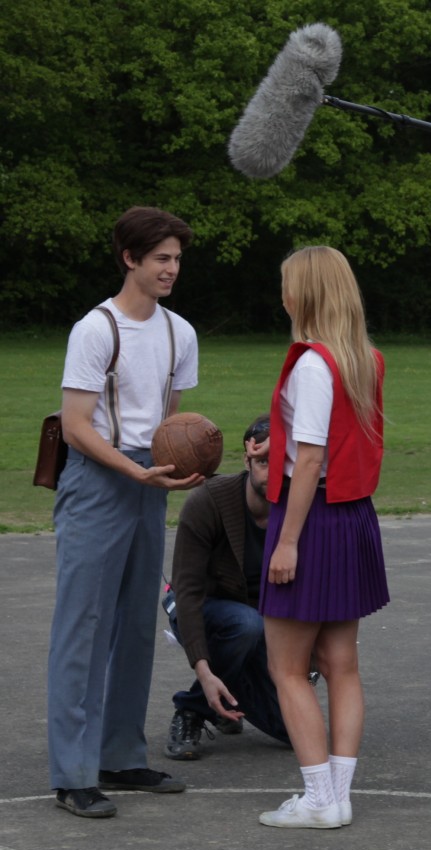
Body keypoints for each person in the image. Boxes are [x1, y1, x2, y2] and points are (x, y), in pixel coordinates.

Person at [49, 206, 204, 818]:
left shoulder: (179, 333)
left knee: (138, 621)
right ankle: (73, 771)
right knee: (82, 625)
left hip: (150, 476)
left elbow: (170, 422)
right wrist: (131, 468)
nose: (171, 269)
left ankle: (120, 753)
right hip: (98, 477)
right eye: (161, 258)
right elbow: (74, 425)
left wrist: (175, 464)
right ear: (130, 259)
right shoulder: (96, 329)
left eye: (176, 259)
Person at [257, 245, 389, 829]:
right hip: (353, 515)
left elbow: (309, 461)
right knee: (342, 664)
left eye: (287, 285)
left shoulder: (312, 364)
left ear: (303, 294)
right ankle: (338, 794)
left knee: (287, 669)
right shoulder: (362, 357)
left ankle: (318, 800)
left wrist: (287, 542)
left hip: (311, 520)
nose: (282, 294)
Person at [163, 413, 291, 761]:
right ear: (247, 459)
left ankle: (228, 699)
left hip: (264, 621)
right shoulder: (209, 501)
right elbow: (187, 592)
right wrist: (203, 671)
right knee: (245, 625)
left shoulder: (301, 509)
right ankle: (192, 710)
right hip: (203, 607)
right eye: (264, 461)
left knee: (292, 730)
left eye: (282, 461)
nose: (272, 470)